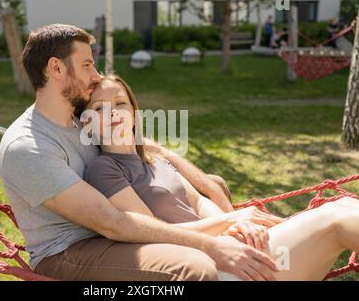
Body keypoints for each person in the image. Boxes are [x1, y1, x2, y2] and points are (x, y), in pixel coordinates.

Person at [0, 23, 280, 281]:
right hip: (69, 252)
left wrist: (207, 183)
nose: (95, 76)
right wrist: (213, 242)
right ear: (56, 68)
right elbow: (113, 223)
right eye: (87, 65)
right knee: (193, 268)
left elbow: (144, 145)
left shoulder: (77, 117)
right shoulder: (29, 146)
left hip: (108, 235)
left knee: (214, 187)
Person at [80, 74, 359, 281]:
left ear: (134, 111)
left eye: (120, 103)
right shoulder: (105, 168)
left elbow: (201, 204)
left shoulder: (154, 159)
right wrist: (231, 220)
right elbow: (150, 234)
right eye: (100, 108)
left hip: (231, 247)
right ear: (87, 123)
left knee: (341, 206)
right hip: (212, 268)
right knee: (332, 218)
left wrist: (234, 228)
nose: (113, 111)